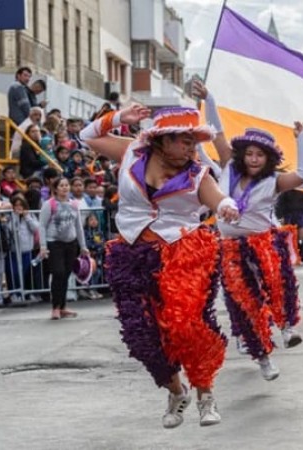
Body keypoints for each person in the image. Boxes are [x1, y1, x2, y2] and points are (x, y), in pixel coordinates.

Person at [81, 102, 239, 428]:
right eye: (183, 139)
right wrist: (117, 118)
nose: (190, 146)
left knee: (186, 326)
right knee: (140, 334)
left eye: (194, 140)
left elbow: (216, 197)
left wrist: (226, 206)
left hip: (182, 254)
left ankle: (205, 395)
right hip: (130, 254)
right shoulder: (132, 153)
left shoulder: (197, 172)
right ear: (162, 140)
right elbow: (88, 136)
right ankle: (176, 390)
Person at [200, 82, 303, 381]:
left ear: (268, 159)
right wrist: (210, 98)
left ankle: (287, 328)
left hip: (263, 242)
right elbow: (217, 131)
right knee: (244, 301)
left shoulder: (273, 181)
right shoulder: (227, 169)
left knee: (277, 283)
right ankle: (263, 358)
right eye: (249, 153)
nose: (254, 159)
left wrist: (301, 140)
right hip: (230, 246)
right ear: (241, 154)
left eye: (260, 155)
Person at [37, 177, 88, 319]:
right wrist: (43, 246)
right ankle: (55, 307)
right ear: (55, 189)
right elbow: (41, 225)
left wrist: (83, 246)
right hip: (54, 243)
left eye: (66, 185)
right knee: (58, 273)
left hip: (70, 244)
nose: (65, 188)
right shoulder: (49, 204)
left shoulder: (74, 204)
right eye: (61, 185)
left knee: (65, 275)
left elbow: (78, 226)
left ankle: (63, 306)